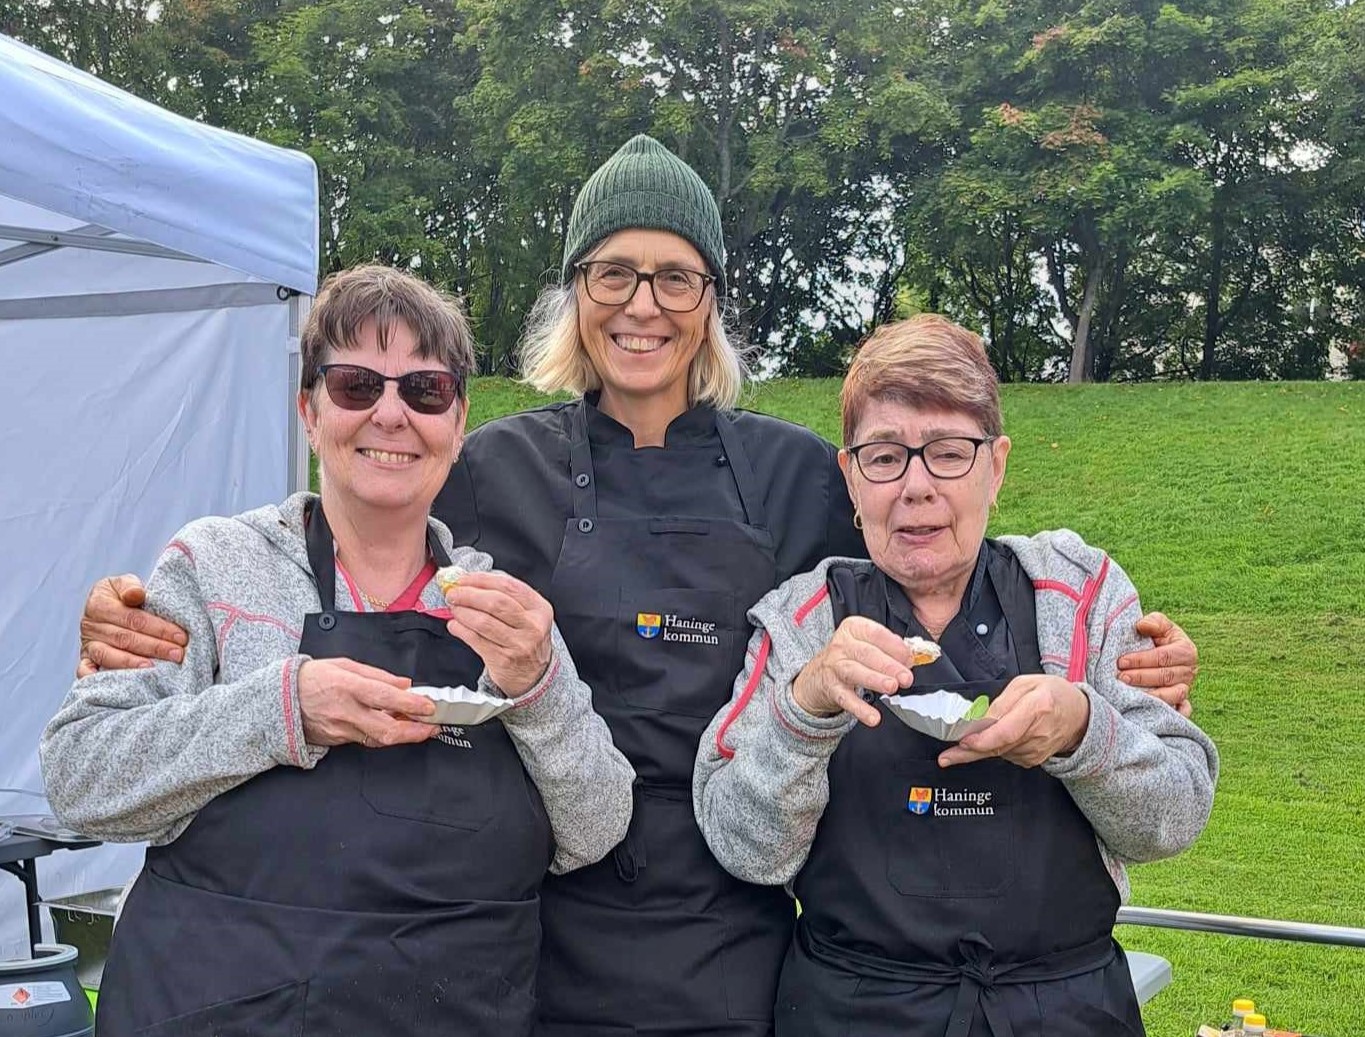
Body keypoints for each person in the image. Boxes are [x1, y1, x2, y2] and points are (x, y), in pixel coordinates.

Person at [73, 138, 1199, 1036]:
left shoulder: (797, 473)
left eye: (674, 274)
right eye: (614, 270)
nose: (642, 302)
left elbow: (905, 574)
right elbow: (356, 516)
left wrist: (1124, 671)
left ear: (710, 297)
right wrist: (144, 625)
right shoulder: (491, 465)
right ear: (576, 292)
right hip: (535, 928)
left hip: (730, 927)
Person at [41, 266, 634, 1037]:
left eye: (423, 391)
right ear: (308, 411)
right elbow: (80, 774)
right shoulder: (213, 565)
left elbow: (597, 828)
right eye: (356, 384)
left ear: (457, 425)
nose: (390, 414)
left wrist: (539, 686)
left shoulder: (502, 611)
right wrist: (284, 709)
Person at [693, 314, 1219, 1037]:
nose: (915, 487)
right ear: (850, 476)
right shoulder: (803, 618)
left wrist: (1081, 729)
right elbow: (742, 847)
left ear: (995, 466)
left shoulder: (1078, 593)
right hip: (853, 1012)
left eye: (947, 452)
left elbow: (1174, 814)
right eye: (883, 457)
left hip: (1062, 1009)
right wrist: (804, 708)